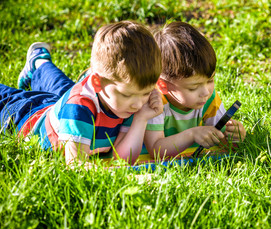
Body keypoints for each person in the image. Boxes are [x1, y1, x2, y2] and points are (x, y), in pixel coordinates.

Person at [0, 21, 163, 167]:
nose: (138, 104)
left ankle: (39, 63)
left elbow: (121, 159)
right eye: (127, 95)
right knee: (9, 96)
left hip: (59, 106)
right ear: (97, 83)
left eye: (146, 93)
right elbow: (76, 165)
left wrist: (141, 118)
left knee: (63, 89)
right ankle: (38, 63)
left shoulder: (128, 100)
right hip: (24, 115)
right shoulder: (78, 107)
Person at [144, 21, 246, 158]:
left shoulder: (209, 99)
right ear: (163, 85)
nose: (205, 92)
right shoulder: (154, 102)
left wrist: (234, 137)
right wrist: (192, 134)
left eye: (210, 80)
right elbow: (156, 151)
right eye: (193, 88)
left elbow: (224, 144)